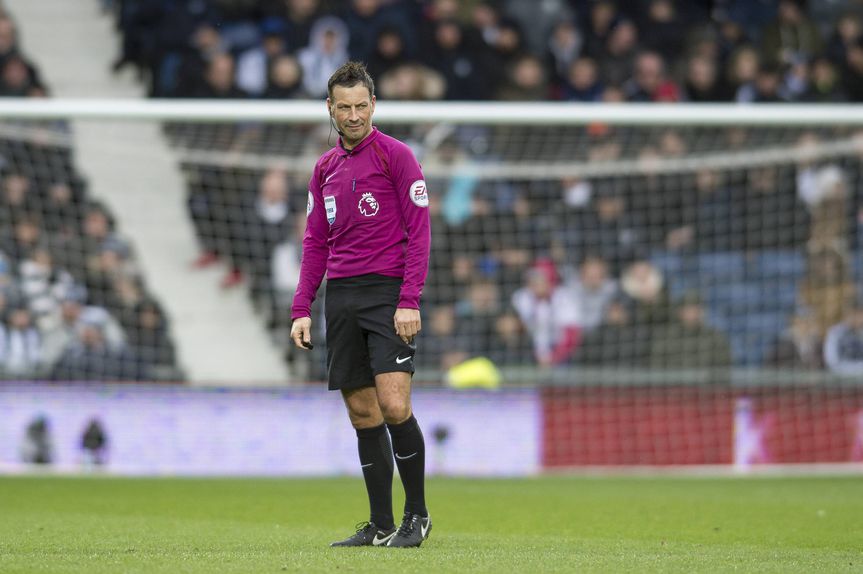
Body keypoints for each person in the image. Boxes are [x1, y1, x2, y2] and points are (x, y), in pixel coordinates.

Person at [290, 61, 432, 548]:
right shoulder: (325, 168)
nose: (353, 116)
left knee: (394, 403)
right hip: (343, 297)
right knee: (363, 414)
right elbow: (315, 243)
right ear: (330, 108)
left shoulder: (397, 156)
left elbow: (420, 232)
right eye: (343, 108)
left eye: (361, 106)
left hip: (389, 293)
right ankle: (380, 524)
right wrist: (301, 307)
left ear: (374, 104)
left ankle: (417, 516)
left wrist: (409, 298)